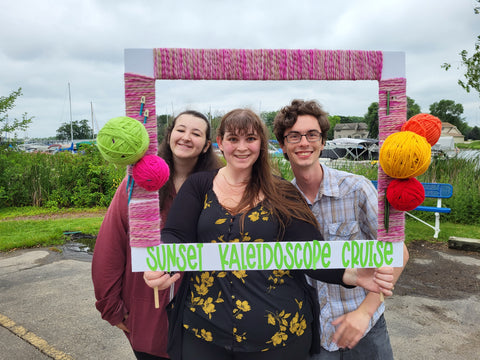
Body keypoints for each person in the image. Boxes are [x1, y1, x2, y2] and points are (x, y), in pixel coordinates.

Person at [144, 108, 395, 360]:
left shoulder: (282, 192)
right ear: (220, 142)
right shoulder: (199, 185)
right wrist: (163, 263)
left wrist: (351, 274)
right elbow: (176, 234)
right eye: (233, 139)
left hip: (278, 336)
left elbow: (311, 253)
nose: (242, 147)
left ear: (261, 144)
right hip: (205, 332)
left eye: (250, 139)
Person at [273, 99, 409, 360]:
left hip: (365, 325)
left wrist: (365, 312)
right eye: (294, 136)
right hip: (316, 330)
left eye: (312, 134)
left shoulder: (356, 188)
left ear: (323, 141)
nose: (304, 142)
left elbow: (398, 252)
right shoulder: (282, 201)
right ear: (282, 145)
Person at [92, 110, 223, 360]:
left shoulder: (218, 186)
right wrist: (111, 307)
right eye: (180, 129)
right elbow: (111, 246)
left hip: (204, 315)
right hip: (147, 312)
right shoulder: (137, 184)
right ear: (169, 134)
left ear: (207, 145)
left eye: (196, 133)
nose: (186, 137)